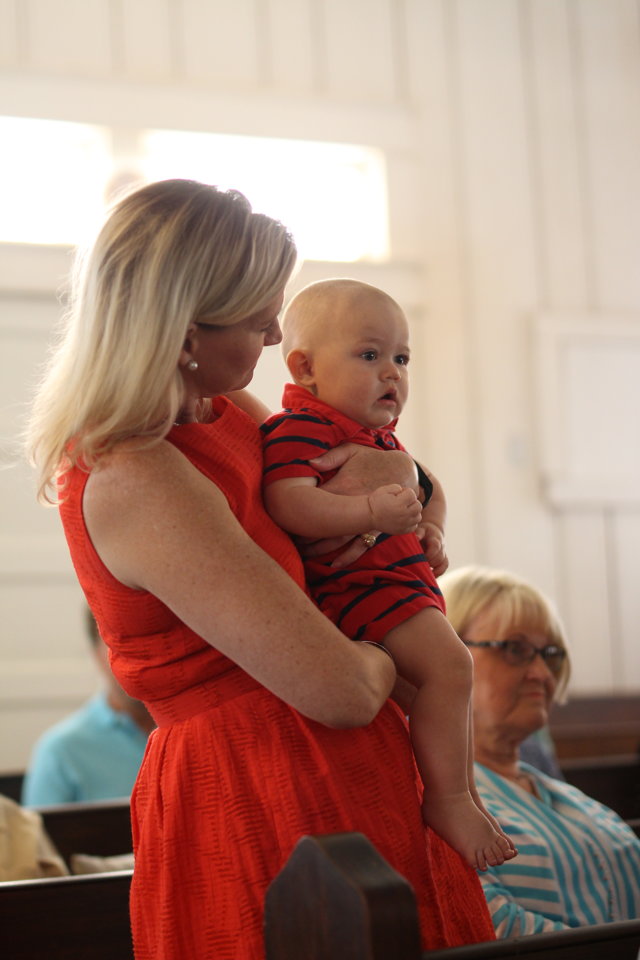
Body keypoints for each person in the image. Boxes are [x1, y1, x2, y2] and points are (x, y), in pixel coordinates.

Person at [26, 180, 496, 959]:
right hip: (260, 789)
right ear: (186, 332)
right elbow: (340, 691)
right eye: (257, 318)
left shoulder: (222, 409)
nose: (277, 334)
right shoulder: (135, 476)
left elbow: (368, 465)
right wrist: (387, 655)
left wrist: (400, 483)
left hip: (347, 773)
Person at [261, 278, 515, 871]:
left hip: (400, 588)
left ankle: (462, 792)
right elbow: (289, 502)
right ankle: (450, 800)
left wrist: (433, 532)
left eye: (402, 358)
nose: (392, 373)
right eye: (370, 354)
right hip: (364, 593)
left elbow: (428, 487)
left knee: (440, 686)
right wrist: (371, 512)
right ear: (305, 368)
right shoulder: (299, 428)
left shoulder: (374, 436)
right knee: (453, 668)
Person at [440, 564, 640, 936]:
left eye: (549, 653)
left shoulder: (562, 794)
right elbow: (490, 925)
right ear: (443, 654)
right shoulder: (442, 803)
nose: (542, 674)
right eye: (515, 649)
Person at [22, 608, 154, 806]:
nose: (140, 659)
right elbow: (39, 828)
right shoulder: (61, 750)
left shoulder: (195, 732)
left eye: (151, 643)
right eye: (121, 644)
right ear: (95, 652)